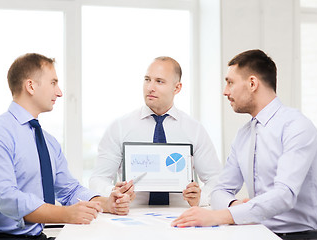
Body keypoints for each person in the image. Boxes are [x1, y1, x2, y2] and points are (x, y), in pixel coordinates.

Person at [0, 53, 130, 240]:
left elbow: (70, 190)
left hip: (36, 236)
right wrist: (66, 214)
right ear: (30, 86)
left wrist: (106, 203)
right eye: (53, 83)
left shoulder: (48, 141)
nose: (60, 92)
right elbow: (7, 199)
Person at [171, 49, 317, 239]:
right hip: (255, 231)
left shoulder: (297, 126)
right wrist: (234, 207)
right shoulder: (244, 134)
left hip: (299, 236)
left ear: (252, 83)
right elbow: (220, 190)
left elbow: (284, 195)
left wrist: (218, 216)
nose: (225, 91)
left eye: (230, 82)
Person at [89, 56, 222, 207]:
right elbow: (98, 179)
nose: (150, 87)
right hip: (131, 217)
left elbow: (216, 179)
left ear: (177, 88)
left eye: (159, 81)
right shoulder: (119, 127)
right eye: (147, 79)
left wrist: (200, 198)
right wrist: (114, 192)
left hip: (181, 217)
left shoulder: (194, 129)